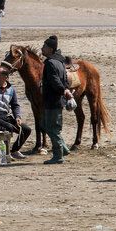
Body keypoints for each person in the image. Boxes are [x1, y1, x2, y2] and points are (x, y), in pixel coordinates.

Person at [41, 35, 74, 164]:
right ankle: (64, 148)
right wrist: (65, 89)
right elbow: (65, 80)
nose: (42, 49)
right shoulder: (59, 62)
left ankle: (58, 155)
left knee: (52, 128)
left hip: (53, 100)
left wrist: (63, 90)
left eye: (44, 47)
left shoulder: (50, 63)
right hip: (57, 100)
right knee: (47, 125)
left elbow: (55, 81)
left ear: (50, 49)